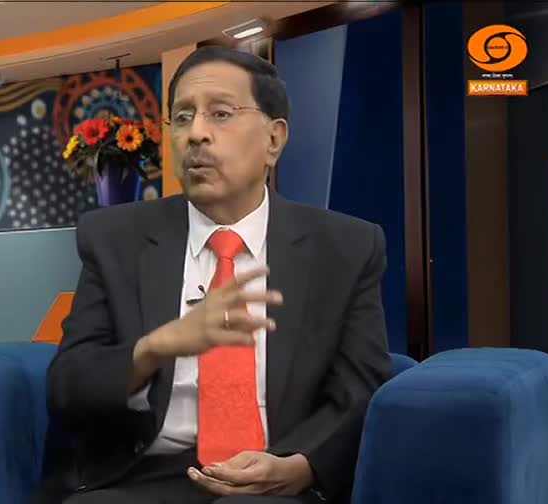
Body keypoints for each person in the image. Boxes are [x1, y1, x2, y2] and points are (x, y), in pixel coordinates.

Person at [33, 46, 392, 504]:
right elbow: (68, 388)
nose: (197, 134)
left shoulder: (345, 248)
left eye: (220, 114)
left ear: (274, 139)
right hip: (142, 478)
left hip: (277, 480)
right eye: (182, 118)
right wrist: (155, 348)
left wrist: (303, 465)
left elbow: (361, 389)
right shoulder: (115, 240)